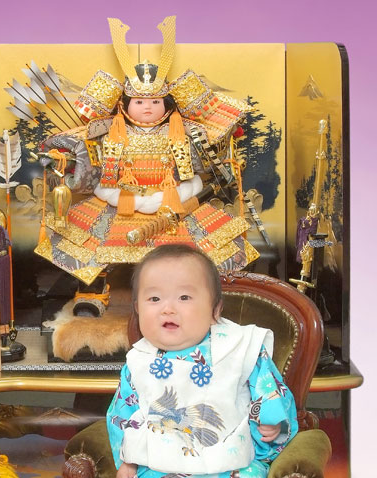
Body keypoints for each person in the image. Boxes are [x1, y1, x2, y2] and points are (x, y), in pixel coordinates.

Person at [103, 244, 298, 478]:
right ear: (137, 309)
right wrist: (126, 459)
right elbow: (124, 412)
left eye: (184, 297)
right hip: (162, 459)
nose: (168, 308)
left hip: (229, 457)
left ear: (215, 309)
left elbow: (268, 388)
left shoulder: (239, 348)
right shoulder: (140, 361)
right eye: (154, 299)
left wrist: (271, 422)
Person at [35, 16, 259, 317]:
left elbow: (205, 165)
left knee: (201, 249)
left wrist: (221, 150)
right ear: (125, 103)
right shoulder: (106, 130)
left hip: (173, 203)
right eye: (139, 102)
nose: (148, 107)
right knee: (91, 244)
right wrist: (66, 158)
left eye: (155, 101)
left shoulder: (186, 131)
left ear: (167, 104)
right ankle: (93, 294)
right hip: (119, 201)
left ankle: (193, 299)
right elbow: (89, 164)